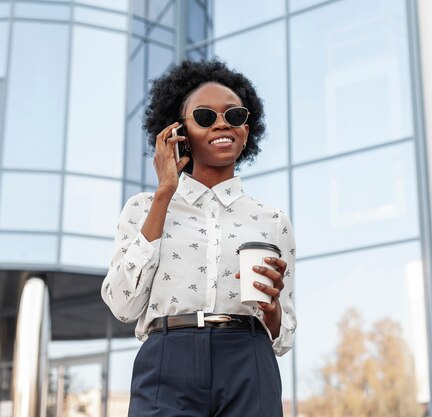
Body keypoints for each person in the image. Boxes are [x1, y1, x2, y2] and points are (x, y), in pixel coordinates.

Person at [101, 59, 296, 417]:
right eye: (205, 116)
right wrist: (164, 193)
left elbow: (283, 338)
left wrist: (272, 309)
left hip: (248, 357)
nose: (222, 123)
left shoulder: (272, 220)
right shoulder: (142, 207)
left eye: (234, 116)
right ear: (178, 133)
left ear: (247, 132)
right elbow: (122, 303)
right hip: (166, 359)